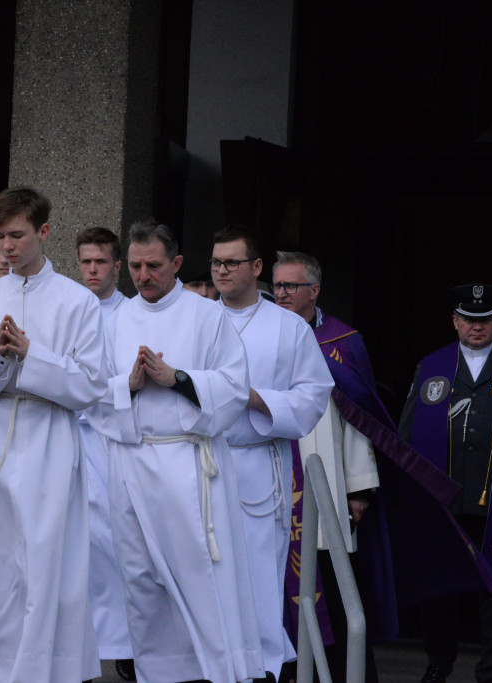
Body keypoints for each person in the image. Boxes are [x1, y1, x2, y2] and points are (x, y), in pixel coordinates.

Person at [85, 219, 262, 683]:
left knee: (198, 573)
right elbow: (92, 391)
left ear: (178, 264)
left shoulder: (208, 316)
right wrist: (129, 384)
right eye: (137, 266)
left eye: (154, 266)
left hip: (188, 463)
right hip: (131, 461)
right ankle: (158, 672)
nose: (143, 276)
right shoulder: (117, 318)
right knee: (141, 577)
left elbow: (233, 385)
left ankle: (214, 671)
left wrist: (178, 379)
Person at [0, 187, 106, 683]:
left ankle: (39, 674)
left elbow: (91, 384)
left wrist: (33, 354)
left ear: (44, 232)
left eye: (17, 235)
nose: (8, 247)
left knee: (44, 566)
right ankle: (3, 666)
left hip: (49, 439)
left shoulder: (77, 302)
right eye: (0, 236)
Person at [210, 228, 333, 681]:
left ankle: (260, 670)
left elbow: (315, 393)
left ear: (256, 268)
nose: (222, 271)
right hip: (203, 463)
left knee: (258, 578)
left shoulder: (287, 326)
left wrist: (255, 399)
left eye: (232, 263)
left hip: (259, 463)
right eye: (216, 263)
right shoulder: (197, 318)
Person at [399, 284, 492, 683]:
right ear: (455, 321)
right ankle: (439, 662)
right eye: (469, 319)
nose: (477, 326)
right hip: (443, 499)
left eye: (485, 318)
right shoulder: (432, 366)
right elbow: (406, 433)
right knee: (439, 587)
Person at [273, 251, 388, 681]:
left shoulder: (342, 342)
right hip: (273, 483)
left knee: (336, 592)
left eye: (291, 286)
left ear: (315, 291)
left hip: (327, 487)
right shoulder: (261, 333)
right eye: (277, 286)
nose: (281, 294)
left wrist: (359, 488)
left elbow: (362, 419)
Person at [75, 227, 135, 681]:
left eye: (101, 262)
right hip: (67, 440)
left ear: (117, 266)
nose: (92, 270)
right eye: (85, 262)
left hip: (110, 442)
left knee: (118, 547)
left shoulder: (134, 316)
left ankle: (128, 645)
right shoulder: (66, 309)